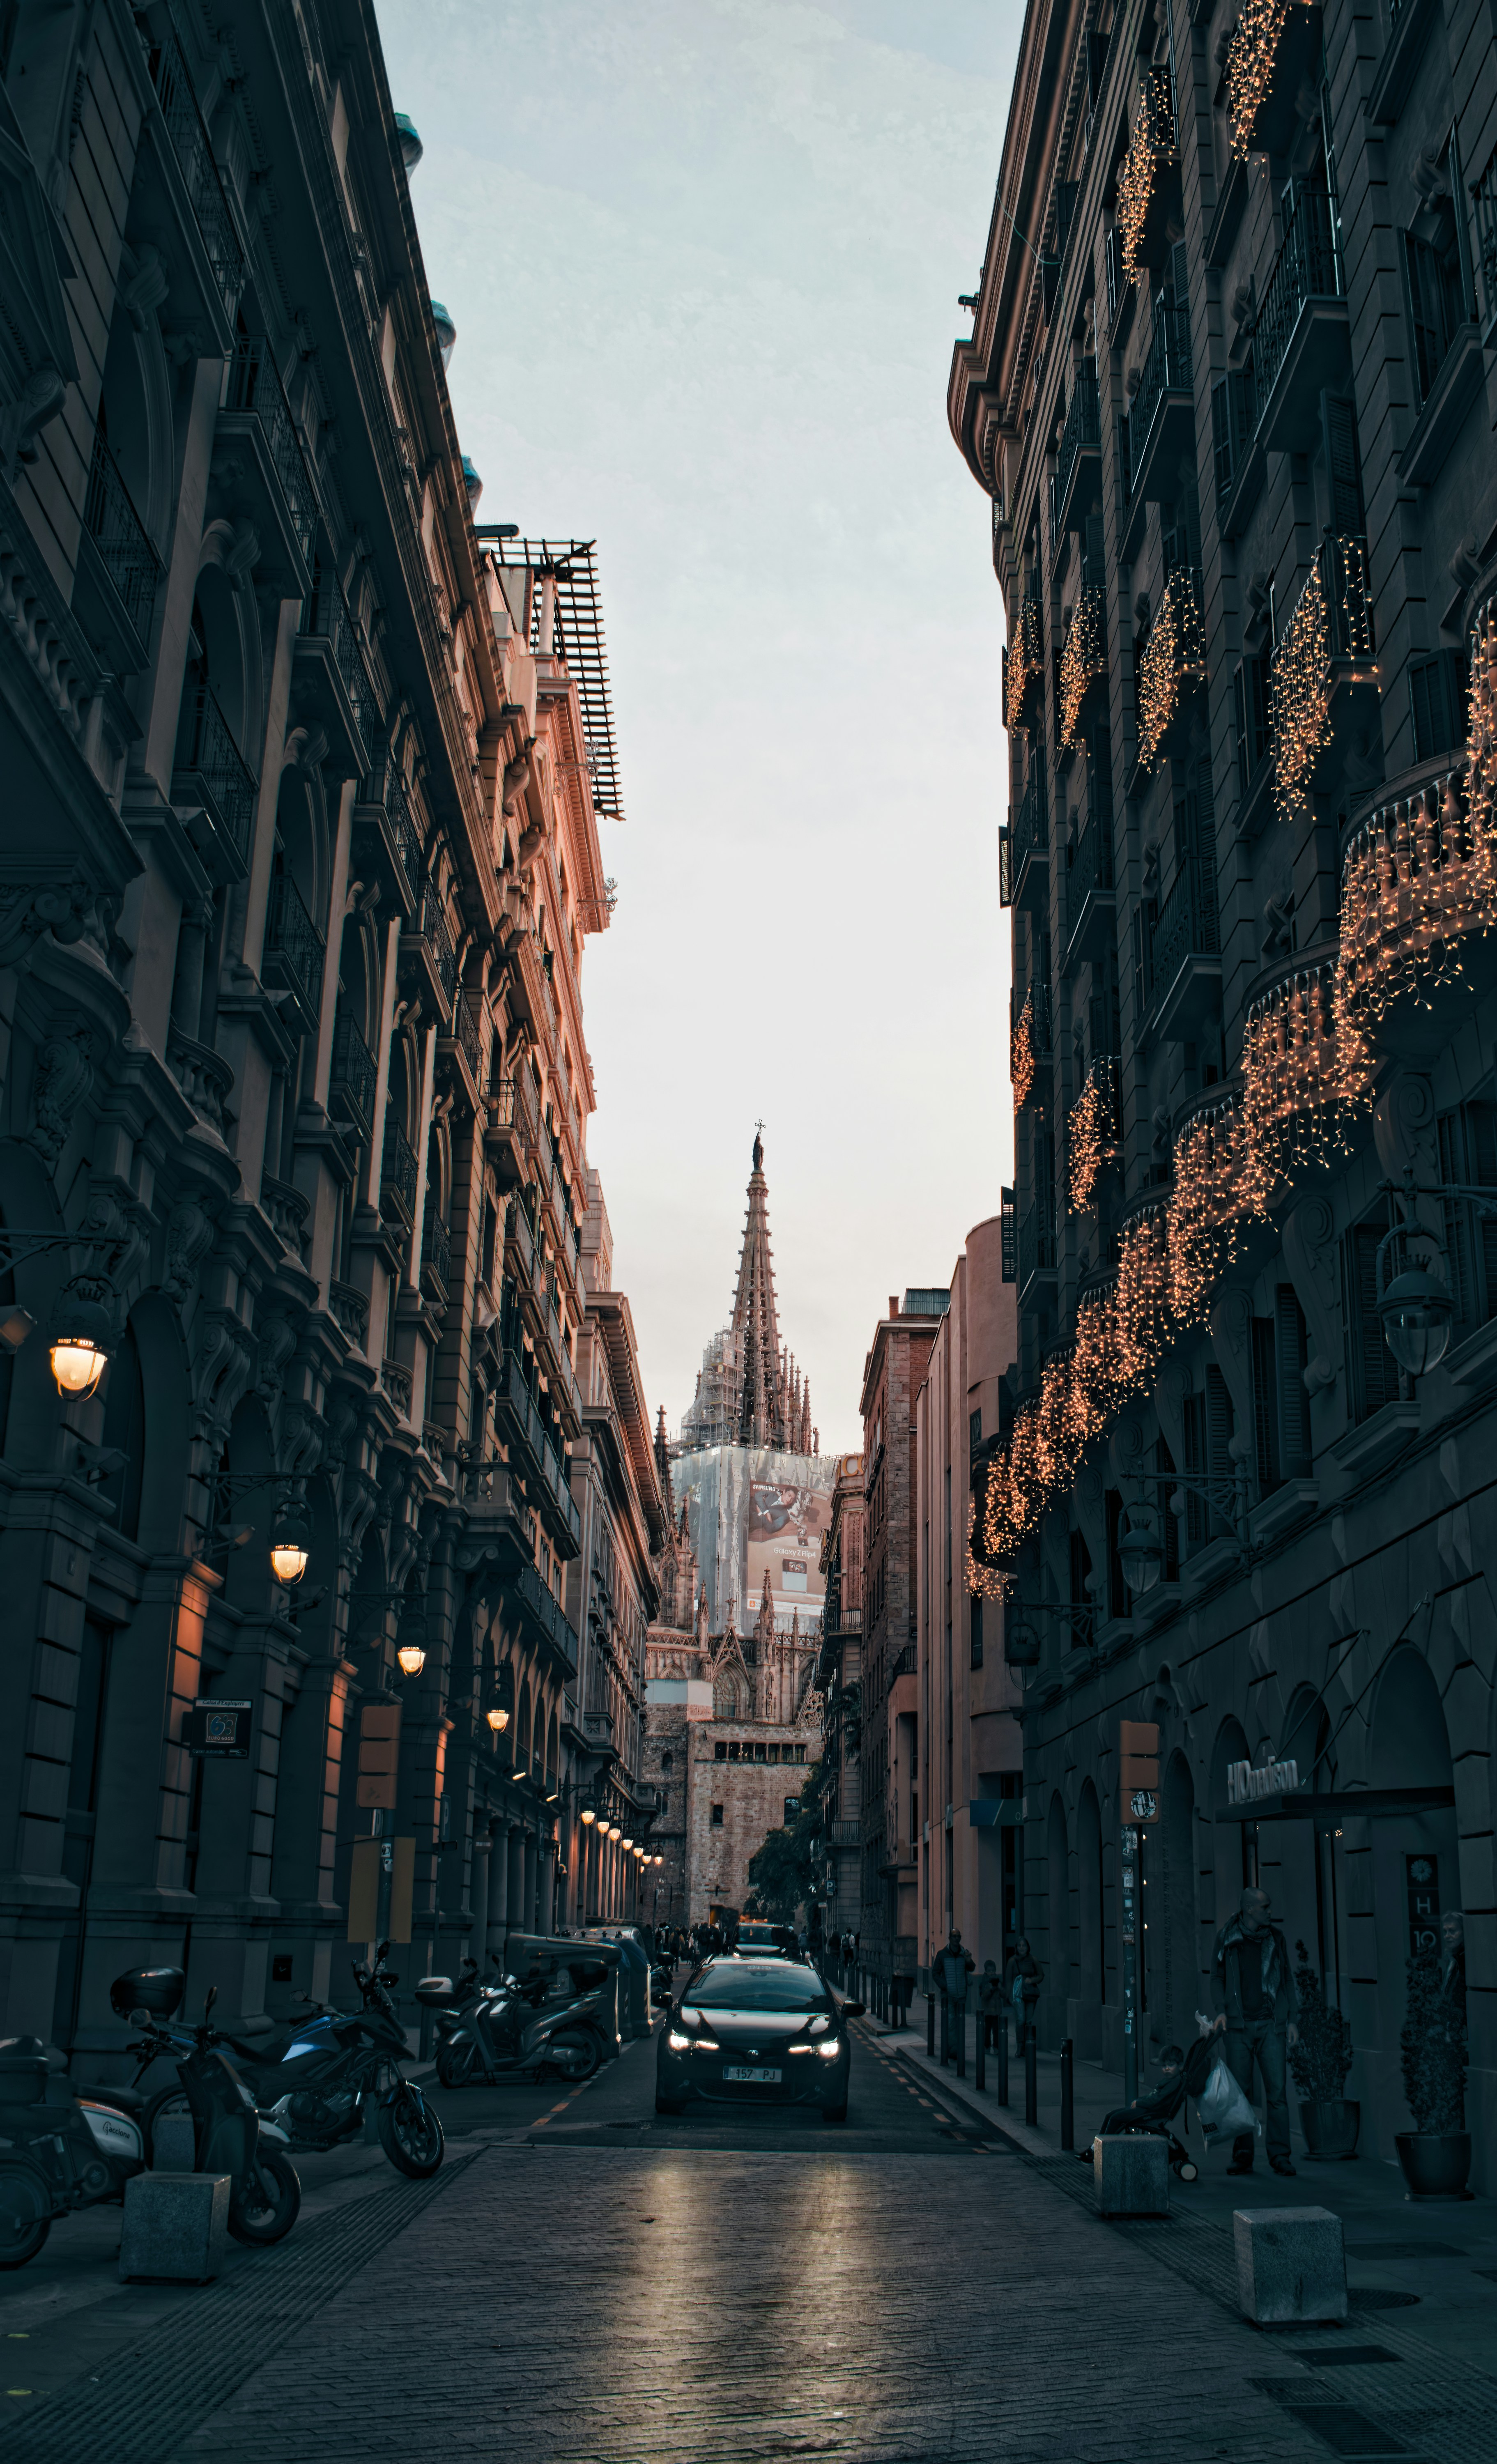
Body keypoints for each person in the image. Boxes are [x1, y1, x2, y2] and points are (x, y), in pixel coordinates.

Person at [1210, 1885, 1299, 2178]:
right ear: (1249, 1909)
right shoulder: (1227, 1938)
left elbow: (1286, 1980)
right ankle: (1243, 2155)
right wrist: (1221, 2011)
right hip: (1238, 2028)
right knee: (1241, 2095)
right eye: (1264, 1907)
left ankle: (1280, 2156)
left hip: (1270, 2026)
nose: (1269, 1911)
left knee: (1277, 2095)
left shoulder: (1276, 1939)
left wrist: (1291, 2020)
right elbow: (1217, 1978)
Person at [937, 1928, 975, 2066]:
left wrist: (969, 1960)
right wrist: (945, 1985)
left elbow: (972, 1968)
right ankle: (953, 2050)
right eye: (954, 1937)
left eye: (958, 1936)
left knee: (960, 2023)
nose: (956, 1939)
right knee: (951, 2022)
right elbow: (936, 1973)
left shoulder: (963, 1954)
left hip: (961, 1996)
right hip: (949, 1995)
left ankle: (956, 2049)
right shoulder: (942, 1955)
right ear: (950, 1938)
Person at [1003, 1936, 1044, 2048]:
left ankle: (1028, 2045)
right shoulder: (1012, 1961)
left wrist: (1032, 1980)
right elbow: (1008, 1980)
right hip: (1017, 1995)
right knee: (1021, 2020)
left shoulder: (1033, 1960)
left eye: (1024, 1945)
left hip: (1030, 1994)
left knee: (1029, 2020)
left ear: (1027, 1947)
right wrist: (1009, 1996)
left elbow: (1041, 1975)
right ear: (1016, 1947)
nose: (1022, 1948)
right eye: (1019, 1946)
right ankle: (1020, 2045)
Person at [977, 1958, 1005, 2050]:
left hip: (997, 2011)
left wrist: (1000, 1988)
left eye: (993, 1971)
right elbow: (983, 1996)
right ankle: (987, 2045)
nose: (991, 1973)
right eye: (989, 1971)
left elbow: (1004, 1995)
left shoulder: (998, 1981)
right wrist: (990, 1989)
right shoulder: (984, 1983)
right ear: (986, 1971)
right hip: (988, 2011)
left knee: (996, 2030)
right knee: (988, 2030)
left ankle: (996, 2046)